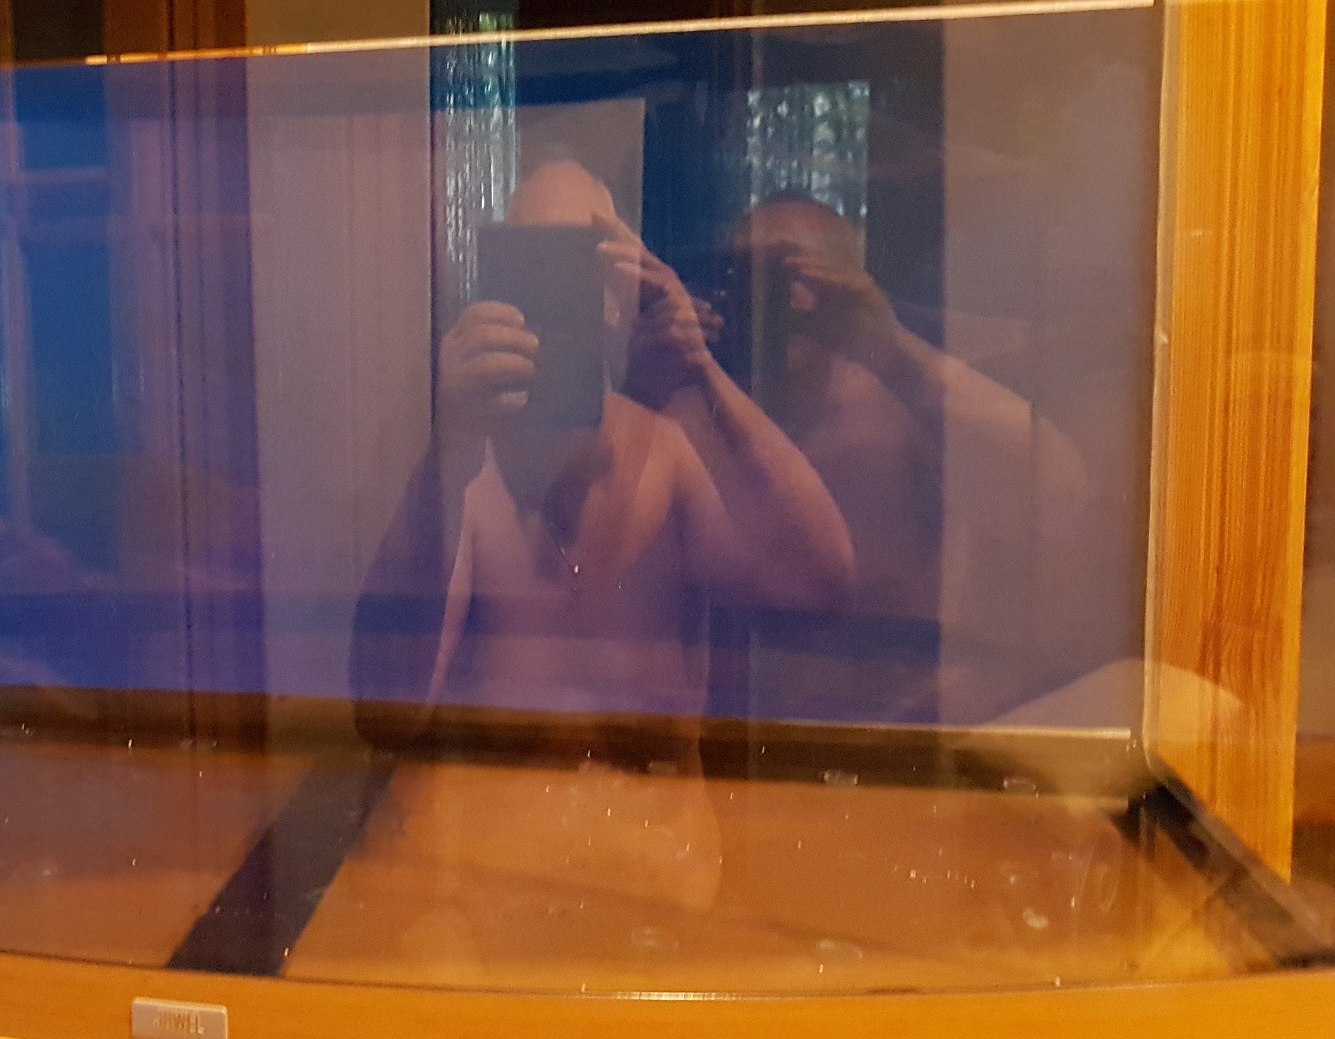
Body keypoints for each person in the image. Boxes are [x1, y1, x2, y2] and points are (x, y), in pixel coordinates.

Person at [351, 162, 855, 742]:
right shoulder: (469, 476)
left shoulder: (666, 456)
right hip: (503, 800)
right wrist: (449, 447)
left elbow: (823, 587)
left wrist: (705, 371)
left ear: (620, 293)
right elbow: (383, 720)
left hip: (652, 800)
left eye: (579, 267)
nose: (557, 297)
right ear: (499, 286)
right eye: (533, 267)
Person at [725, 195, 1091, 721]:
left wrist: (888, 345)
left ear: (843, 285)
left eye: (788, 273)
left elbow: (1056, 477)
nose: (769, 300)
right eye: (746, 277)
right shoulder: (709, 417)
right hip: (754, 730)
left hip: (895, 729)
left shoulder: (904, 411)